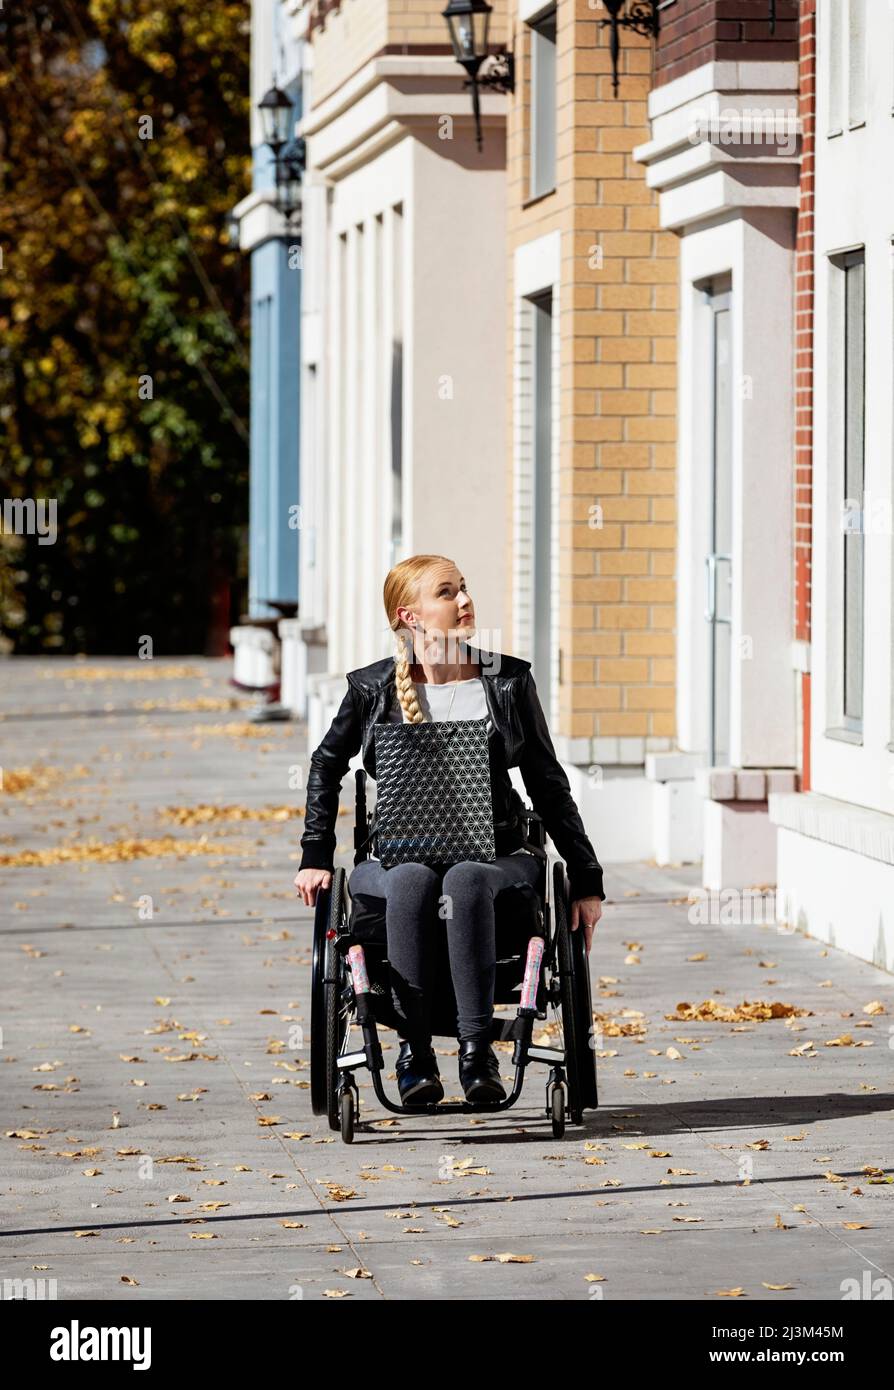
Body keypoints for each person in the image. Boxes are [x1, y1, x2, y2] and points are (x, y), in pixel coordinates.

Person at [294, 554, 605, 1107]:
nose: (464, 601)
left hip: (498, 854)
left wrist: (585, 876)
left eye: (463, 587)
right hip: (394, 857)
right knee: (412, 880)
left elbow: (548, 783)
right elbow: (325, 763)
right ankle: (415, 1055)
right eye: (447, 592)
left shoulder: (506, 681)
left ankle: (476, 1050)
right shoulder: (372, 689)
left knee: (463, 880)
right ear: (410, 616)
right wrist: (315, 852)